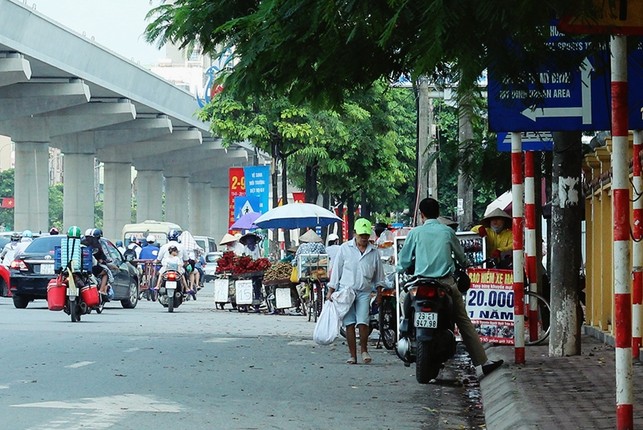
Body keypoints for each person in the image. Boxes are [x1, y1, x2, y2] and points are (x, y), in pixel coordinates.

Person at [397, 197, 503, 376]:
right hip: (445, 283)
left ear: (421, 215)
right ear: (438, 214)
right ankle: (482, 363)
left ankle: (404, 335)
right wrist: (466, 263)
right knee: (462, 321)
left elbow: (404, 261)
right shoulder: (447, 232)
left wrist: (401, 269)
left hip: (419, 283)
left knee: (402, 299)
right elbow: (462, 258)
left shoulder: (415, 233)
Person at [326, 218, 386, 365]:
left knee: (363, 322)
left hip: (364, 291)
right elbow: (336, 271)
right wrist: (331, 291)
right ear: (355, 234)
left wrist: (379, 293)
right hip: (346, 291)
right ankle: (352, 355)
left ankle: (364, 350)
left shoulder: (374, 252)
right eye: (361, 236)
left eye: (366, 236)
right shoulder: (344, 249)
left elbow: (379, 275)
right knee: (350, 324)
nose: (364, 239)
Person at [154, 229, 190, 294]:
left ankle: (158, 286)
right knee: (184, 275)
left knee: (159, 274)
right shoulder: (181, 247)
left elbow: (159, 259)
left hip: (166, 268)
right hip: (178, 269)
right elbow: (186, 260)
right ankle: (186, 289)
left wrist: (156, 262)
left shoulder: (164, 247)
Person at [81, 228, 114, 297]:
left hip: (79, 267)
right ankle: (101, 290)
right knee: (106, 272)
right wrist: (104, 260)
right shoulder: (96, 246)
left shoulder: (80, 244)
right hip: (91, 268)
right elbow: (102, 258)